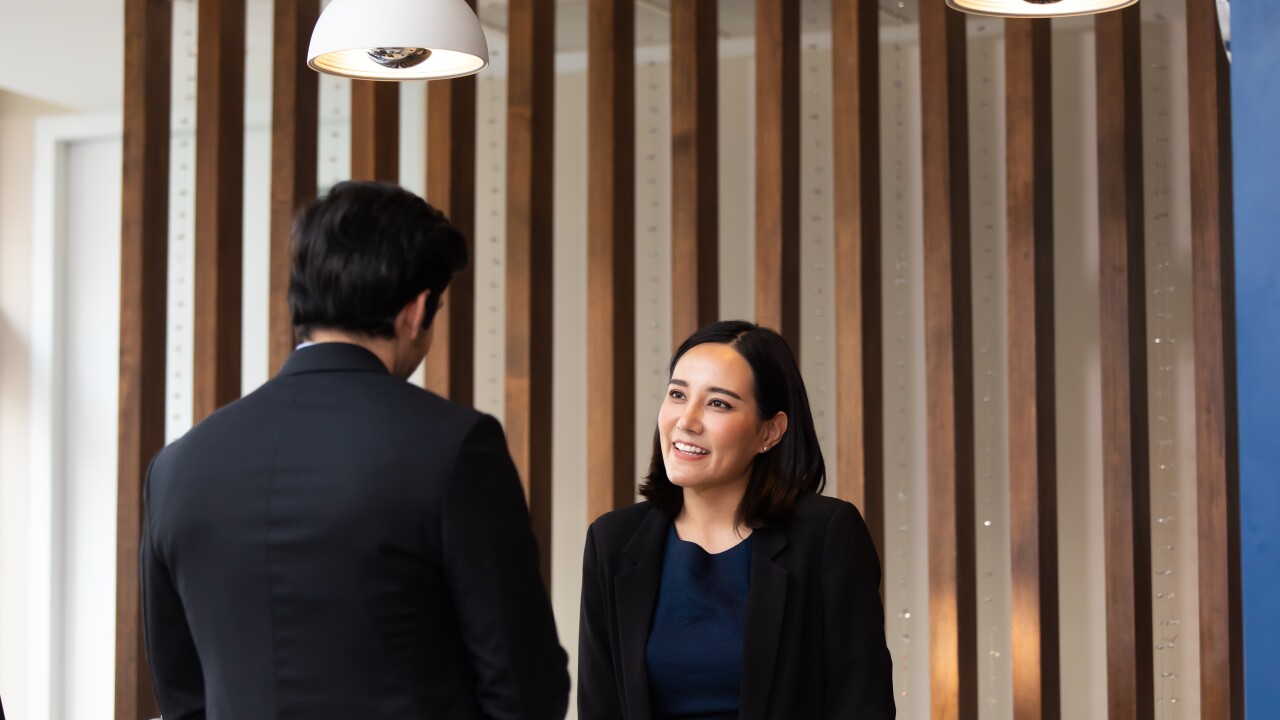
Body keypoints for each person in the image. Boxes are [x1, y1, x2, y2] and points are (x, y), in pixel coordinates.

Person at [141, 181, 569, 719]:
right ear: (415, 311)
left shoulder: (177, 467)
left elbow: (181, 699)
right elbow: (525, 689)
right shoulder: (454, 447)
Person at [578, 320, 895, 719]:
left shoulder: (827, 533)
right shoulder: (612, 541)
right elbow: (600, 707)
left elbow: (862, 705)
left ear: (771, 431)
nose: (687, 421)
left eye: (719, 403)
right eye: (678, 394)